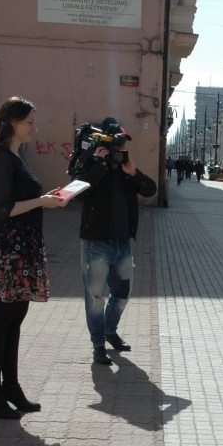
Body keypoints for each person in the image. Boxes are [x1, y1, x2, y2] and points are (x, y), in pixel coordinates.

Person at [0, 97, 69, 420]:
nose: (35, 128)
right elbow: (2, 209)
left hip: (22, 247)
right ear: (12, 123)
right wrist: (42, 201)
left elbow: (20, 198)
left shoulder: (16, 156)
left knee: (14, 319)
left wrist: (45, 199)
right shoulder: (2, 158)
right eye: (29, 122)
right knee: (1, 321)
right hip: (9, 249)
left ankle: (11, 387)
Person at [75, 117, 157, 365]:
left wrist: (133, 172)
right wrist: (99, 165)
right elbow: (79, 191)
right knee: (95, 298)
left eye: (123, 145)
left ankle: (109, 330)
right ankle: (98, 344)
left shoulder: (126, 168)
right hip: (97, 243)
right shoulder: (90, 163)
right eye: (118, 145)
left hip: (123, 243)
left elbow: (150, 190)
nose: (121, 149)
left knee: (123, 293)